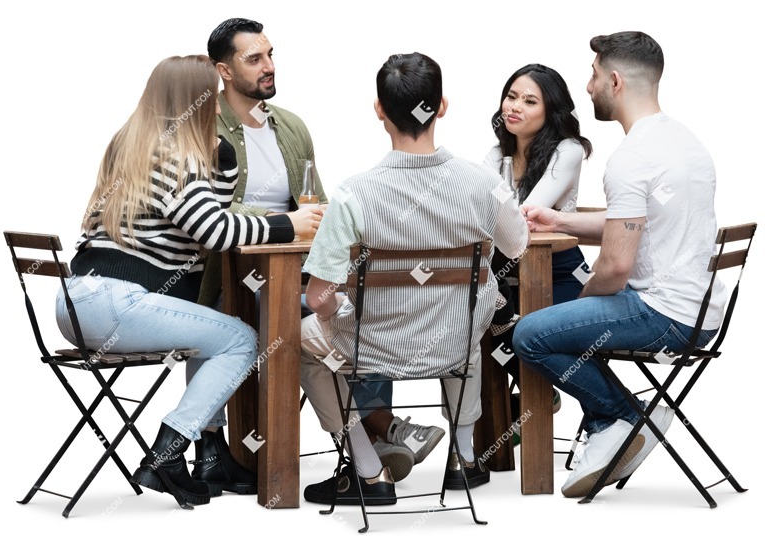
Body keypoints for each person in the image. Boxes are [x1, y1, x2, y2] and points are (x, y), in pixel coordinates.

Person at [54, 55, 319, 507]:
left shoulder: (137, 147)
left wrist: (225, 155)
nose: (219, 103)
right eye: (211, 95)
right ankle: (169, 452)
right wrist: (289, 224)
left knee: (214, 320)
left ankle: (209, 453)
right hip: (116, 304)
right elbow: (216, 229)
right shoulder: (174, 157)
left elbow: (210, 208)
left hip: (82, 302)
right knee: (239, 339)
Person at [298, 52, 530, 505]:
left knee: (301, 340)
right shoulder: (483, 183)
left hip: (373, 347)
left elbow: (319, 296)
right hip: (453, 343)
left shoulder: (352, 193)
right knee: (468, 314)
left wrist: (342, 308)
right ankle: (463, 459)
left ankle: (368, 471)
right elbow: (516, 245)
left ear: (379, 110)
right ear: (441, 106)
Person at [513, 31, 726, 498]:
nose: (587, 87)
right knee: (551, 325)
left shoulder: (632, 158)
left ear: (614, 81)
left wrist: (575, 310)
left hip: (663, 315)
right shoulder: (684, 141)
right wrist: (561, 218)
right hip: (700, 314)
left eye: (592, 76)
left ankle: (623, 416)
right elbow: (637, 222)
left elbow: (614, 267)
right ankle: (624, 419)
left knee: (530, 333)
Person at [184, 17, 328, 496]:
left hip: (289, 266)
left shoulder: (290, 125)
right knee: (241, 319)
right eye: (254, 59)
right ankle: (210, 446)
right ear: (222, 70)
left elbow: (313, 201)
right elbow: (210, 207)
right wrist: (280, 224)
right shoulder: (203, 126)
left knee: (323, 317)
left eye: (270, 55)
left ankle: (360, 441)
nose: (268, 66)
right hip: (221, 265)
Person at [483, 63, 593, 439]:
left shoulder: (568, 150)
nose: (514, 106)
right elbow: (478, 211)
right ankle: (537, 396)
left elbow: (525, 217)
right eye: (511, 96)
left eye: (530, 101)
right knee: (482, 313)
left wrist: (492, 213)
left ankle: (543, 396)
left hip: (560, 274)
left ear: (550, 111)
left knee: (515, 327)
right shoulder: (497, 154)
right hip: (508, 274)